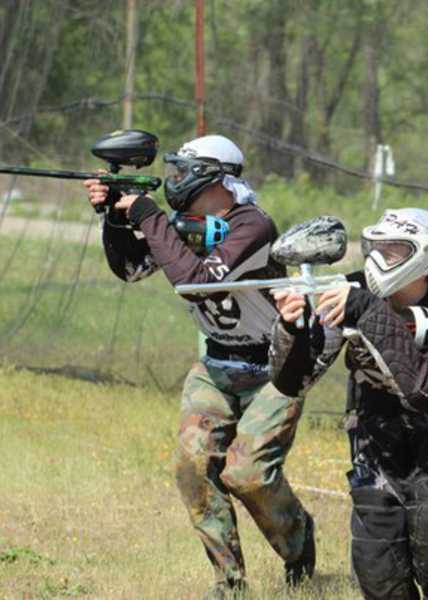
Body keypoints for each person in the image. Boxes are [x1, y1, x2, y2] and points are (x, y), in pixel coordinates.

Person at [83, 134, 315, 599]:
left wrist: (147, 216)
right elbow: (131, 270)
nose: (174, 181)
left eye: (182, 171)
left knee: (248, 475)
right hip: (216, 364)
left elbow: (196, 283)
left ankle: (298, 544)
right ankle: (229, 584)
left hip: (276, 368)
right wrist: (114, 218)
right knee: (192, 466)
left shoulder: (253, 226)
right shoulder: (183, 224)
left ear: (214, 176)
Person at [269, 208, 428, 600]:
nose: (379, 260)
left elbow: (426, 391)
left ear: (425, 257)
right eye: (375, 249)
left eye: (393, 251)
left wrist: (370, 312)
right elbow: (295, 381)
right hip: (378, 428)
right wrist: (293, 329)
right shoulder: (353, 293)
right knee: (377, 564)